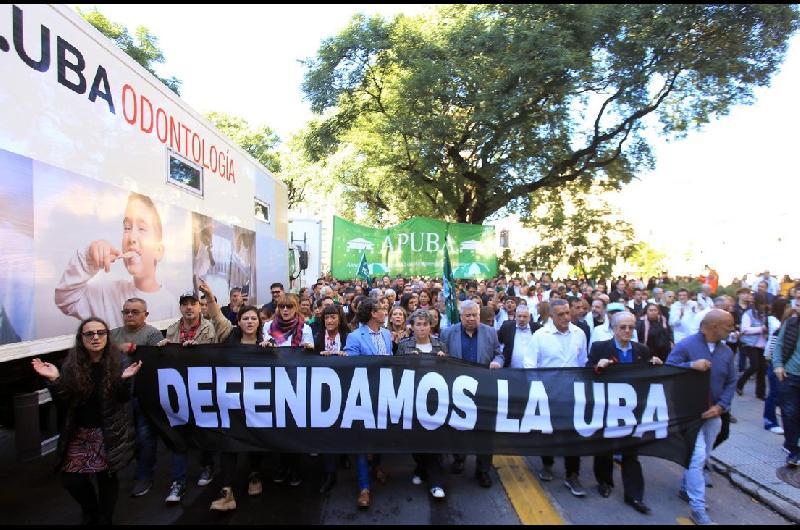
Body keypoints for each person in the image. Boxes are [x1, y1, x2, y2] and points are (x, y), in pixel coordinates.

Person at [31, 318, 141, 524]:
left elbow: (124, 399)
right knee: (71, 479)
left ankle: (105, 518)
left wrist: (124, 381)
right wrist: (55, 380)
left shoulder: (120, 362)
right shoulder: (70, 365)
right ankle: (90, 511)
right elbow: (64, 402)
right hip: (80, 432)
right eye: (89, 334)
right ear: (81, 339)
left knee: (106, 477)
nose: (96, 337)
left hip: (108, 431)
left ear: (108, 337)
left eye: (101, 332)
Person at [197, 282, 270, 511]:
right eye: (245, 318)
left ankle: (254, 476)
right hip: (231, 402)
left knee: (255, 440)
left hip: (257, 404)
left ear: (260, 323)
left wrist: (271, 351)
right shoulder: (228, 337)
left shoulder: (265, 345)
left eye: (253, 319)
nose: (249, 322)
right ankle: (227, 490)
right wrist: (209, 296)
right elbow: (217, 316)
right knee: (228, 442)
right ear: (238, 322)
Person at [55, 192, 175, 329]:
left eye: (142, 229)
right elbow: (66, 300)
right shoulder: (107, 294)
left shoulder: (171, 305)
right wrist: (88, 258)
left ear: (158, 251)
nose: (131, 238)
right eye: (127, 228)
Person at [667, 310, 737, 526]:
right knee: (697, 459)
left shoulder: (726, 352)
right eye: (728, 325)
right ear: (714, 326)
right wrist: (690, 365)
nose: (732, 329)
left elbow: (732, 381)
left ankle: (685, 488)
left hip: (713, 415)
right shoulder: (687, 345)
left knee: (702, 457)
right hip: (689, 415)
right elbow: (667, 369)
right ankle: (698, 509)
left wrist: (721, 406)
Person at [589, 312, 662, 514]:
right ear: (613, 328)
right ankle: (604, 482)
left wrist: (656, 366)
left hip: (632, 409)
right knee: (605, 448)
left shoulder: (642, 350)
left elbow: (649, 377)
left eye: (631, 327)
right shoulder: (600, 348)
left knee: (631, 451)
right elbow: (587, 373)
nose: (628, 331)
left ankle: (634, 495)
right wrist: (597, 367)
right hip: (607, 406)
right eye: (623, 327)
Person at [525, 299, 588, 497]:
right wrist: (536, 392)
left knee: (572, 434)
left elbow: (583, 362)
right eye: (560, 314)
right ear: (551, 316)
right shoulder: (540, 336)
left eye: (568, 313)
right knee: (548, 432)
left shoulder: (579, 334)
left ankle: (572, 474)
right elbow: (529, 365)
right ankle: (547, 463)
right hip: (548, 393)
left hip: (572, 394)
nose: (566, 318)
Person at [160, 292, 217, 503]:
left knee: (202, 430)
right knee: (178, 433)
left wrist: (197, 350)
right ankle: (178, 481)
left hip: (201, 387)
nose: (189, 308)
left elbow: (213, 354)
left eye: (192, 304)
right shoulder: (173, 329)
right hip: (179, 388)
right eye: (184, 304)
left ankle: (207, 465)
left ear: (199, 306)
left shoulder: (208, 327)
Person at [439, 300, 503, 488]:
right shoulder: (448, 333)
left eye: (474, 315)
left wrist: (497, 361)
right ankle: (459, 459)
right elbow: (441, 356)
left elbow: (499, 353)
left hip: (484, 389)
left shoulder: (490, 332)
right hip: (457, 390)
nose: (471, 318)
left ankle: (483, 470)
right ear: (460, 316)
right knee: (458, 427)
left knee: (485, 431)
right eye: (467, 315)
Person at [109, 298, 167, 498]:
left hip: (143, 394)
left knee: (145, 436)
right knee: (122, 436)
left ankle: (144, 475)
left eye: (135, 311)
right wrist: (119, 348)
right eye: (126, 312)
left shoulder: (152, 334)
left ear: (146, 315)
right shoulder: (112, 335)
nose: (130, 315)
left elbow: (159, 359)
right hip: (118, 397)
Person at [344, 298, 393, 508]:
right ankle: (364, 487)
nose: (385, 312)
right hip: (363, 395)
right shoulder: (355, 337)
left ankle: (377, 466)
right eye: (381, 309)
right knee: (362, 440)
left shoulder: (387, 334)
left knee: (380, 434)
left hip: (385, 393)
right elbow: (352, 365)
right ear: (372, 313)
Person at [397, 309, 448, 499]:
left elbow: (448, 375)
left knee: (434, 440)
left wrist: (444, 362)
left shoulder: (440, 345)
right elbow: (397, 372)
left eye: (425, 324)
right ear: (411, 326)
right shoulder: (404, 346)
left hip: (436, 402)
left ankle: (436, 482)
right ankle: (420, 467)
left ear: (431, 326)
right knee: (415, 439)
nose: (421, 328)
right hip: (412, 399)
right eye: (418, 324)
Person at [314, 304, 351, 495]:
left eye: (333, 317)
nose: (330, 321)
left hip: (345, 388)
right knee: (327, 429)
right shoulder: (317, 337)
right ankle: (329, 473)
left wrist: (345, 356)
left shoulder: (348, 336)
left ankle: (344, 453)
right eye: (327, 317)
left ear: (340, 318)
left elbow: (356, 357)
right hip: (323, 390)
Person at [774, 302, 800, 467]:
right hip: (790, 375)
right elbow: (779, 344)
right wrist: (777, 365)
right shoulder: (791, 323)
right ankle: (793, 449)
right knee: (789, 413)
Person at [736, 292, 769, 399]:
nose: (763, 306)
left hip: (762, 345)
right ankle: (739, 383)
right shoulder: (748, 314)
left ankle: (760, 393)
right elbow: (745, 329)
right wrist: (761, 329)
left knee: (762, 369)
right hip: (750, 344)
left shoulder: (765, 314)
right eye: (761, 304)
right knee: (754, 366)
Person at [763, 297, 789, 435]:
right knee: (774, 392)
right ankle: (769, 421)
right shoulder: (776, 323)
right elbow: (773, 344)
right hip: (775, 362)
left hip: (780, 362)